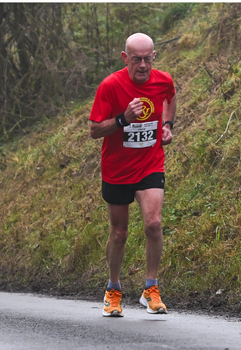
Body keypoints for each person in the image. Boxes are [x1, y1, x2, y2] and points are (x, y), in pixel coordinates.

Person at [89, 33, 176, 317]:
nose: (142, 65)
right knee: (119, 233)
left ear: (154, 57)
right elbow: (94, 130)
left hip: (150, 163)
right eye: (136, 59)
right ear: (125, 58)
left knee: (154, 223)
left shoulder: (163, 80)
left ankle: (150, 289)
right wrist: (123, 119)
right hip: (117, 169)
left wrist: (168, 126)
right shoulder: (110, 86)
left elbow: (170, 98)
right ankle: (113, 290)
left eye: (147, 58)